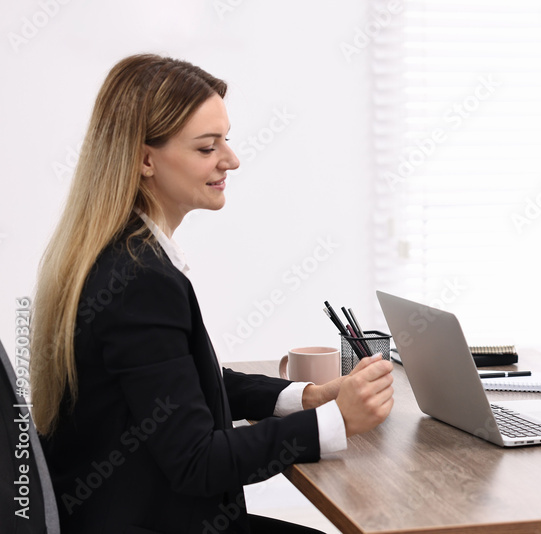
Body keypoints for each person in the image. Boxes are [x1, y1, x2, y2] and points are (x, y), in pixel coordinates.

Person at [30, 54, 395, 533]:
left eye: (227, 139)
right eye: (207, 147)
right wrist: (336, 422)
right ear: (144, 159)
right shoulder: (139, 281)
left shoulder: (116, 255)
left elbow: (182, 387)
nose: (232, 159)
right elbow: (197, 462)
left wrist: (307, 398)